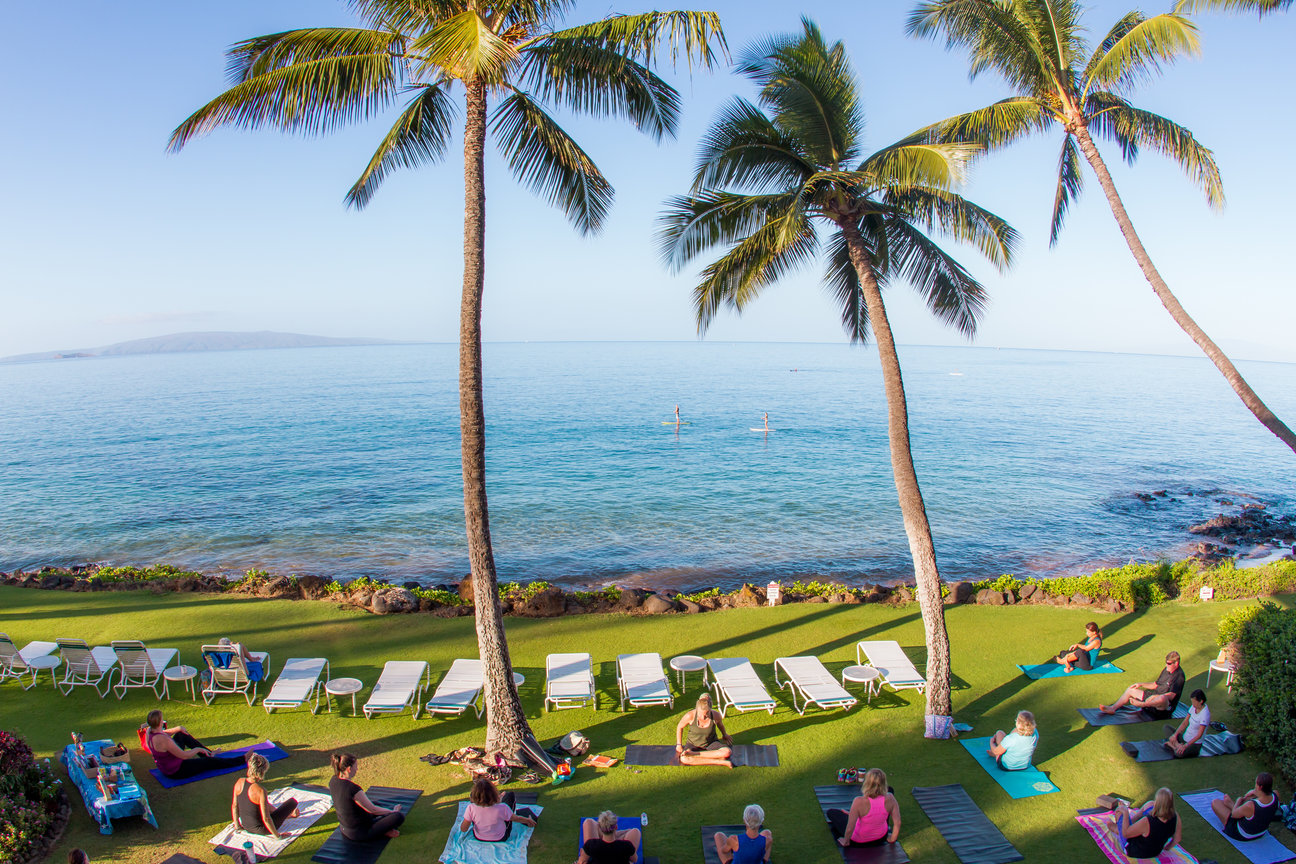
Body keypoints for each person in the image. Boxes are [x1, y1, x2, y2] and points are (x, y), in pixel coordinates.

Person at [143, 709, 247, 779]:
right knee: (209, 762)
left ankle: (209, 753)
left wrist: (178, 728)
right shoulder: (164, 740)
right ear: (160, 722)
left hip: (166, 765)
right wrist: (198, 749)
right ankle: (242, 759)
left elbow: (163, 732)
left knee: (181, 734)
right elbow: (184, 756)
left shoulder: (149, 731)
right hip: (176, 771)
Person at [328, 752, 404, 842]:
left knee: (376, 804)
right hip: (359, 833)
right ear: (349, 769)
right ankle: (383, 831)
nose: (357, 769)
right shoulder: (353, 789)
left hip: (345, 828)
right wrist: (393, 812)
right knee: (398, 817)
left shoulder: (333, 780)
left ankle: (383, 829)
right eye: (355, 766)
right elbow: (373, 810)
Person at [231, 752, 299, 838]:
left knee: (265, 804)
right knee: (292, 803)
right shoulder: (260, 790)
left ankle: (289, 815)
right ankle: (290, 815)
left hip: (246, 826)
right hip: (262, 829)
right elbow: (266, 818)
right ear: (262, 771)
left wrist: (238, 826)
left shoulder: (239, 782)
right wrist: (278, 836)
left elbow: (234, 806)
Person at [826, 768, 901, 847]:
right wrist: (892, 838)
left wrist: (846, 841)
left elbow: (850, 828)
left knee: (831, 812)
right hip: (881, 838)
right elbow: (897, 822)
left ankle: (855, 816)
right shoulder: (890, 798)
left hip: (859, 840)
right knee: (890, 791)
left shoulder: (859, 801)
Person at [1099, 652, 1185, 717]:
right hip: (1153, 698)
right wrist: (1141, 684)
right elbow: (1155, 684)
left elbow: (1171, 696)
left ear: (1176, 663)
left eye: (1169, 663)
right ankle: (1113, 708)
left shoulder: (1179, 676)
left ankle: (1142, 704)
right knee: (1131, 689)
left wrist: (1154, 697)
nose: (1166, 665)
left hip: (1165, 707)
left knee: (1162, 698)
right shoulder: (1166, 670)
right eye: (1166, 663)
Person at [1107, 788, 1181, 860]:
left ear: (1158, 802)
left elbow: (1126, 834)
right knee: (1149, 804)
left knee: (1120, 812)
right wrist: (1166, 848)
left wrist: (1125, 811)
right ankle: (1129, 823)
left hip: (1132, 849)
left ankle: (1117, 829)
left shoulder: (1147, 821)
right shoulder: (1175, 816)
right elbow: (1177, 839)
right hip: (1155, 851)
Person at [459, 776, 537, 843]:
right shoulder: (502, 808)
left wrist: (469, 818)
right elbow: (516, 818)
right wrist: (528, 820)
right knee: (510, 795)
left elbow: (463, 829)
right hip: (501, 837)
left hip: (479, 837)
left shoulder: (471, 808)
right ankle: (501, 798)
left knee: (473, 816)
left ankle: (499, 798)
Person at [1211, 773, 1281, 842]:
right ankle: (1234, 806)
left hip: (1243, 835)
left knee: (1215, 803)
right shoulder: (1276, 795)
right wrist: (1254, 792)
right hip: (1261, 832)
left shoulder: (1251, 805)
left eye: (1256, 784)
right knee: (1249, 805)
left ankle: (1232, 805)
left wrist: (1238, 801)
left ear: (1260, 787)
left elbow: (1234, 815)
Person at [675, 693, 733, 767]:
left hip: (711, 743)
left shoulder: (715, 715)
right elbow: (679, 727)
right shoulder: (690, 715)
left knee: (727, 752)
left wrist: (724, 734)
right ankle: (720, 762)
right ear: (697, 709)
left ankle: (693, 754)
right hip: (693, 744)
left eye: (706, 714)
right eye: (700, 714)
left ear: (710, 710)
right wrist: (679, 745)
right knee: (683, 759)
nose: (703, 717)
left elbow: (720, 725)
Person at [1164, 690, 1210, 758]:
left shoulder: (1205, 714)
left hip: (1194, 744)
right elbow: (1185, 722)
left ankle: (1172, 745)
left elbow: (1199, 735)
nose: (1193, 704)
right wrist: (1175, 735)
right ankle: (1177, 744)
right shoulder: (1193, 707)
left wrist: (1185, 745)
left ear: (1201, 701)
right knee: (1166, 727)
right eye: (1192, 702)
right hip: (1185, 738)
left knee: (1179, 754)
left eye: (1194, 702)